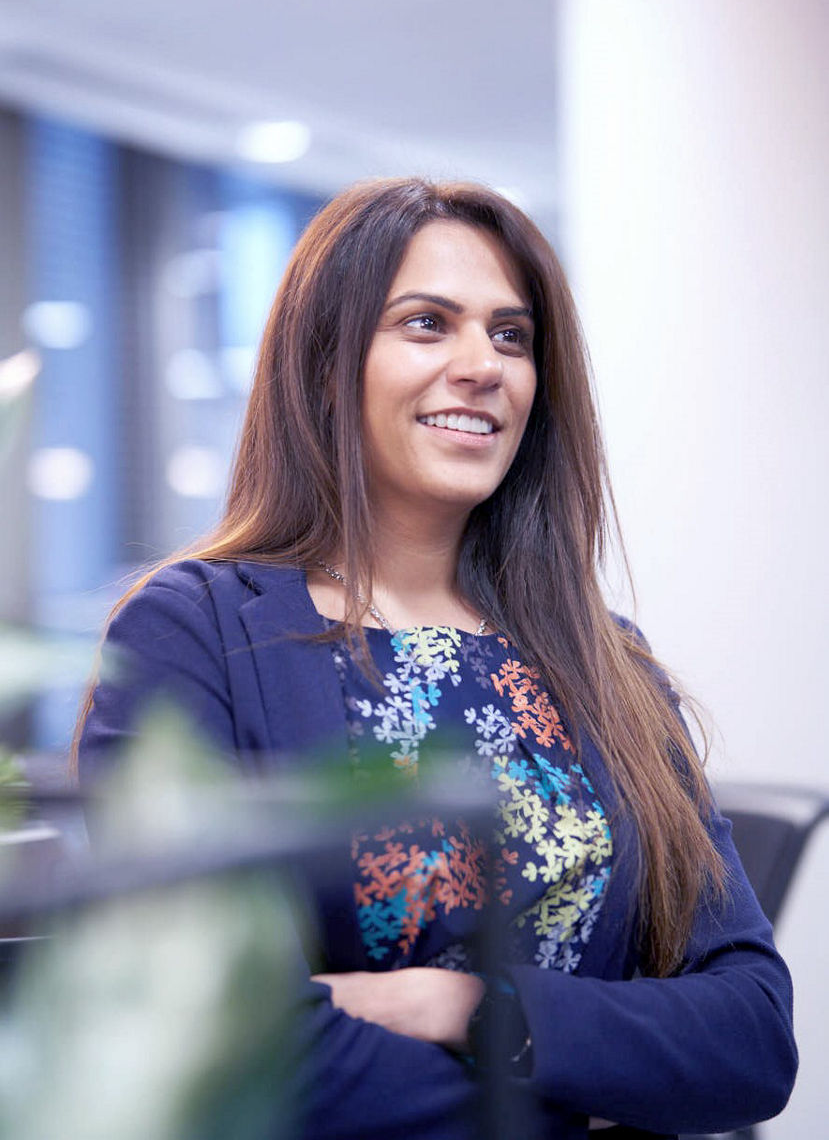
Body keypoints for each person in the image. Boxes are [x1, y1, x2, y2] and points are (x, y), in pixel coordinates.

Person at [74, 178, 797, 1139]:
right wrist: (597, 1087)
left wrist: (463, 1008)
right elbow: (213, 1035)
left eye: (510, 336)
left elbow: (751, 1035)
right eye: (426, 323)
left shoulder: (601, 658)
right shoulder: (193, 630)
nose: (481, 366)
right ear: (326, 361)